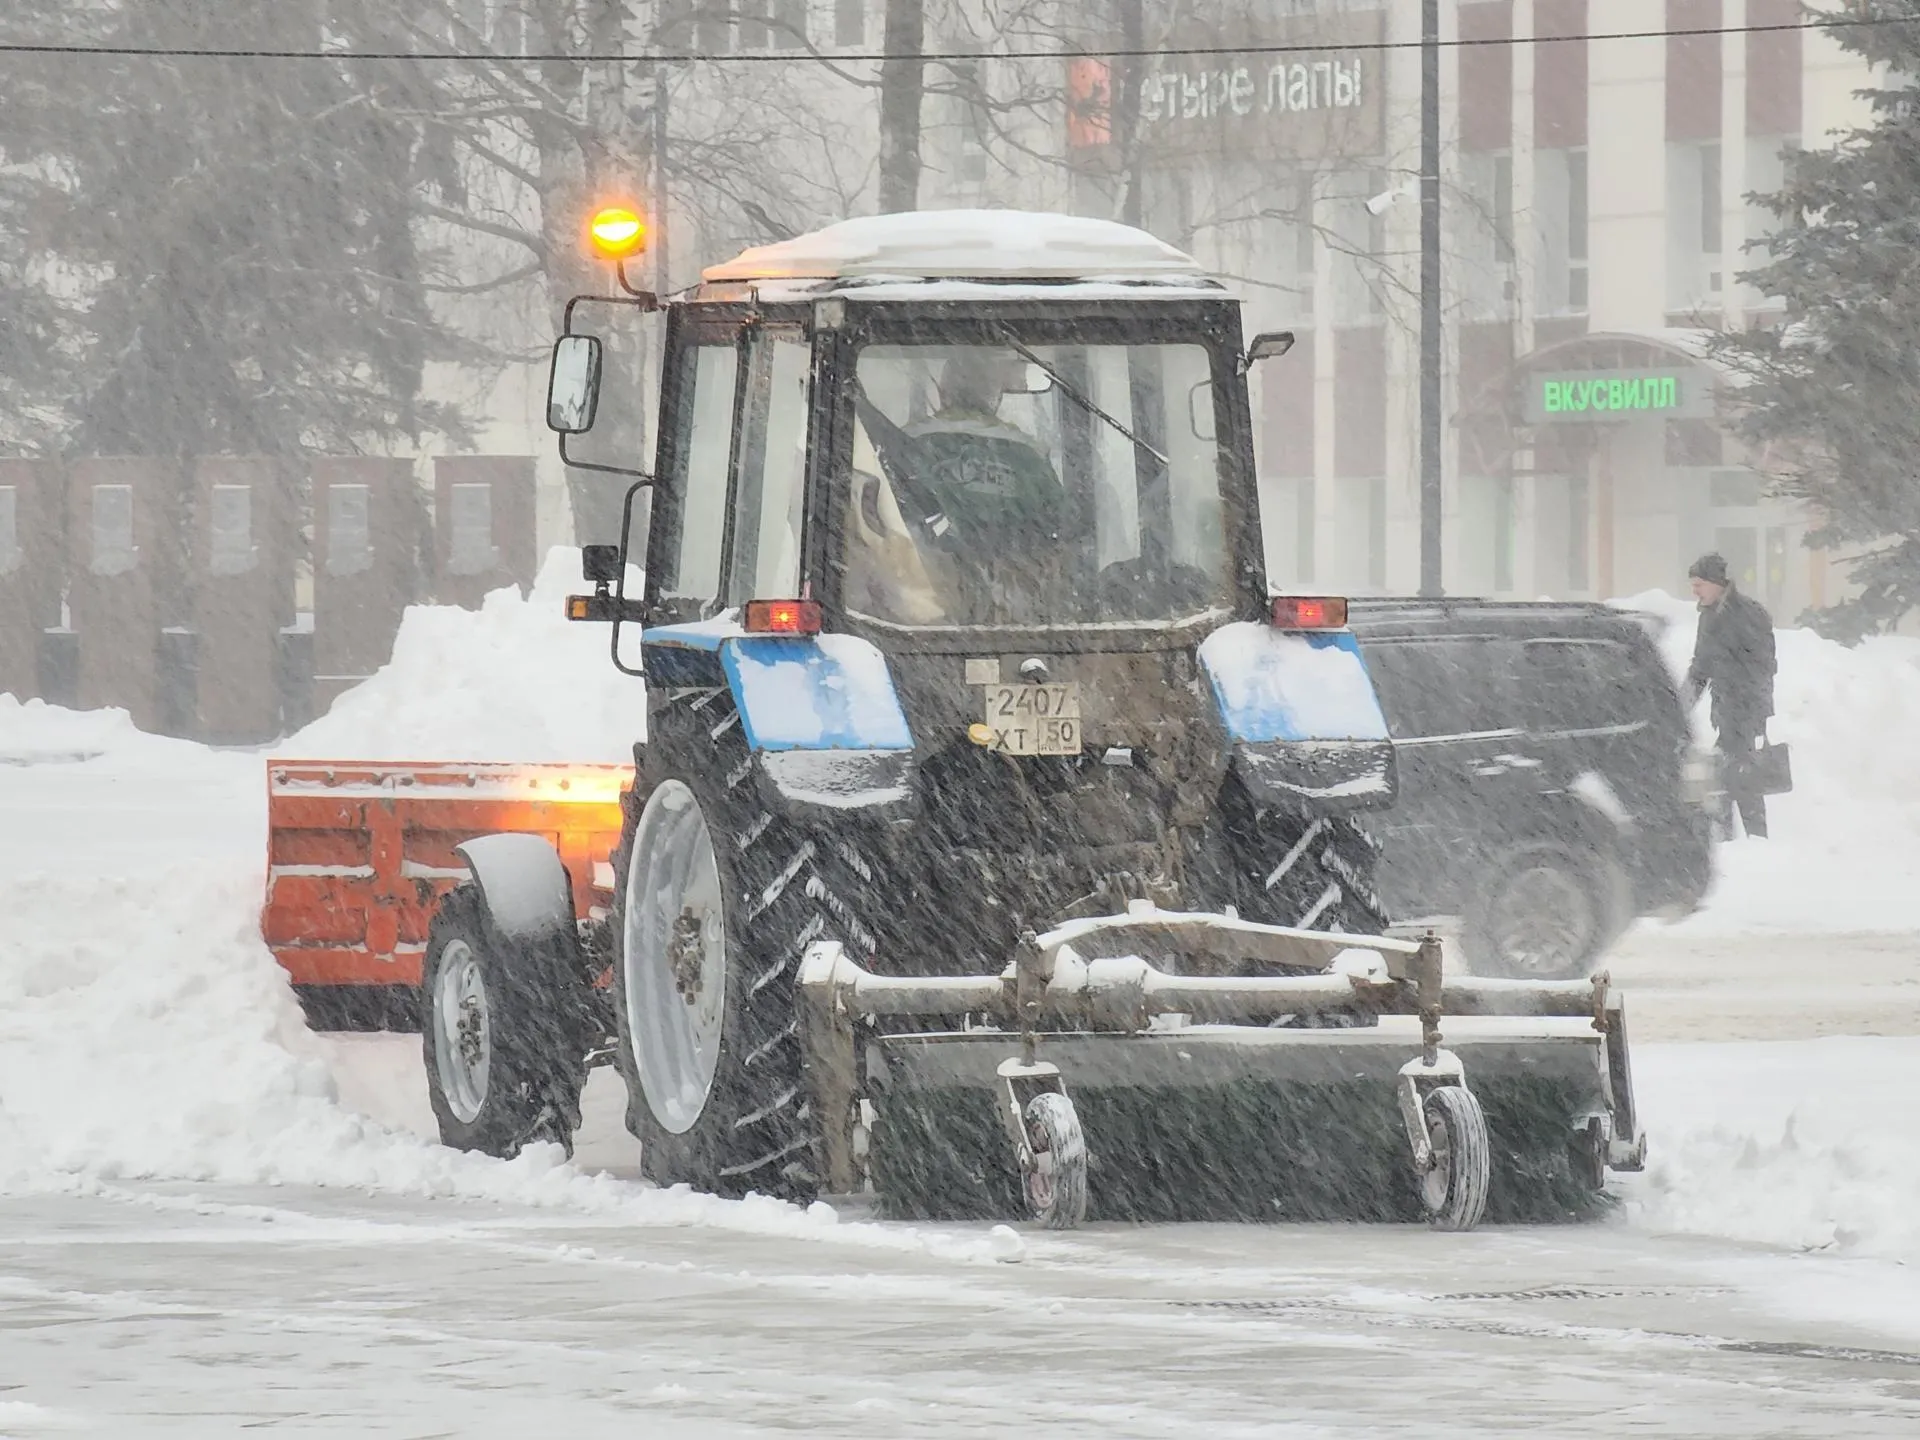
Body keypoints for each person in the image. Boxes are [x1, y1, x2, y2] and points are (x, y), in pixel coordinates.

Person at [1684, 552, 1778, 839]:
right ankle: (1745, 837)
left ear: (1716, 583)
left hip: (1745, 709)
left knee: (1729, 774)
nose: (1694, 590)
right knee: (1736, 774)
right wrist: (1679, 705)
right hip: (1727, 709)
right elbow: (1700, 667)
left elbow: (1764, 665)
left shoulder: (1748, 614)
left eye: (1699, 583)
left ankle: (1733, 837)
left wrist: (1756, 710)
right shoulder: (1709, 616)